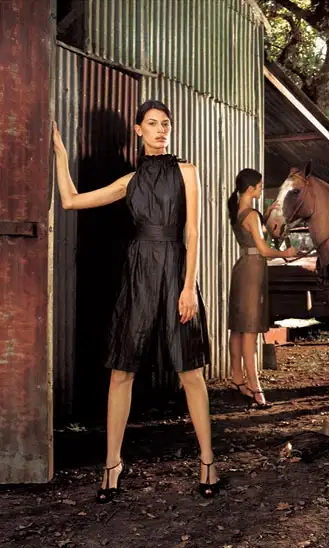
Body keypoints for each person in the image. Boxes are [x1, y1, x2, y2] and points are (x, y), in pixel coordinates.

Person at [52, 100, 220, 501]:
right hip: (139, 275)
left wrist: (188, 287)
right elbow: (71, 200)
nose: (161, 130)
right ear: (138, 130)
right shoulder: (128, 181)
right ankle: (112, 464)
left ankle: (208, 462)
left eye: (166, 124)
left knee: (190, 372)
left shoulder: (187, 171)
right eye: (153, 124)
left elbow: (192, 232)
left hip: (176, 273)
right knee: (121, 371)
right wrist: (59, 153)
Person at [227, 169, 296, 408]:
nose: (261, 189)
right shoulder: (251, 216)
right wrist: (286, 253)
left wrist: (266, 218)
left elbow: (253, 238)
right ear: (250, 189)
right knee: (249, 330)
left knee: (238, 328)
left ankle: (238, 380)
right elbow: (264, 250)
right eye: (259, 186)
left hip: (243, 268)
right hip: (252, 270)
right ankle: (255, 387)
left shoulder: (239, 210)